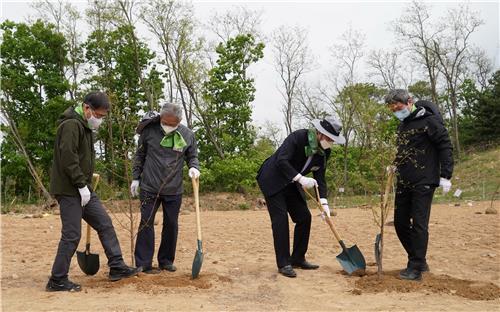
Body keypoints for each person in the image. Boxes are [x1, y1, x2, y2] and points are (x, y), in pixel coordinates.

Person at [47, 92, 140, 292]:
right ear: (86, 108)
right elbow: (68, 158)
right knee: (72, 234)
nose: (99, 120)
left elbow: (80, 158)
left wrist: (85, 183)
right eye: (98, 115)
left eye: (103, 117)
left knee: (104, 224)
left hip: (83, 189)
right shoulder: (71, 125)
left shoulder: (85, 126)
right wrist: (80, 184)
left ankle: (117, 266)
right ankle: (57, 279)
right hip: (69, 189)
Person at [256, 116, 345, 278]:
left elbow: (320, 177)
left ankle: (297, 257)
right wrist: (301, 178)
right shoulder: (298, 137)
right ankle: (284, 264)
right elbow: (281, 161)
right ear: (319, 133)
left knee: (304, 217)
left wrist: (324, 202)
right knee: (280, 220)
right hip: (272, 179)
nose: (330, 142)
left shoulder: (325, 152)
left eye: (333, 139)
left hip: (291, 182)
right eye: (329, 138)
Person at [385, 89, 454, 281]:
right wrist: (395, 165)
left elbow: (445, 145)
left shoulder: (429, 121)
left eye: (397, 107)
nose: (395, 111)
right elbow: (404, 150)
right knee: (399, 222)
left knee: (419, 224)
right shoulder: (403, 125)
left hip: (424, 180)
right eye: (392, 109)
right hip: (404, 180)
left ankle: (415, 268)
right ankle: (419, 259)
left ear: (409, 102)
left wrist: (446, 175)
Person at [131, 102, 200, 274]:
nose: (169, 126)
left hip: (173, 189)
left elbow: (192, 156)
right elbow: (140, 155)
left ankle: (166, 260)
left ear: (180, 120)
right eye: (166, 123)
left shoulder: (187, 135)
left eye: (173, 124)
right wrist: (135, 178)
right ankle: (144, 263)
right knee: (146, 223)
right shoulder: (148, 132)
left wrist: (194, 167)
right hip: (149, 186)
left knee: (171, 224)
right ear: (161, 118)